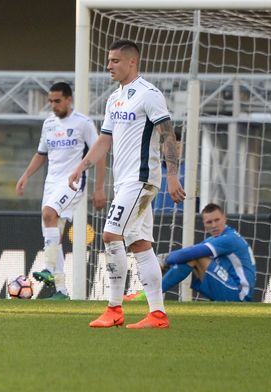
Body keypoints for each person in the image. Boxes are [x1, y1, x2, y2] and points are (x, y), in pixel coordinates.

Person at [68, 40, 185, 328]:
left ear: (132, 62)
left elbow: (169, 135)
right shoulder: (114, 98)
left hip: (142, 179)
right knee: (141, 244)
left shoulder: (149, 94)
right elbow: (105, 140)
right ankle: (158, 314)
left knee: (110, 234)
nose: (109, 65)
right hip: (125, 182)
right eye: (108, 61)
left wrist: (173, 175)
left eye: (115, 60)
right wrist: (81, 167)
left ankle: (114, 308)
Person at [16, 82, 106, 300]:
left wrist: (100, 188)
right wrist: (26, 175)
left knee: (48, 214)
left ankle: (47, 268)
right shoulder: (48, 124)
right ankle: (61, 290)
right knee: (52, 234)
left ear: (68, 100)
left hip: (73, 182)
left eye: (57, 101)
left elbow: (100, 153)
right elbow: (41, 154)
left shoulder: (83, 123)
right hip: (51, 183)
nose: (53, 105)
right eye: (50, 101)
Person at [128, 203, 256, 301]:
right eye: (209, 222)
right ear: (204, 225)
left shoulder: (229, 238)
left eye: (217, 220)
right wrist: (166, 263)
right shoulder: (215, 239)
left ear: (225, 219)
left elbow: (188, 254)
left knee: (194, 257)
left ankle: (150, 295)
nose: (214, 225)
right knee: (190, 258)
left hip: (239, 294)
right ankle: (149, 293)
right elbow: (183, 257)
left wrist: (165, 260)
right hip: (230, 288)